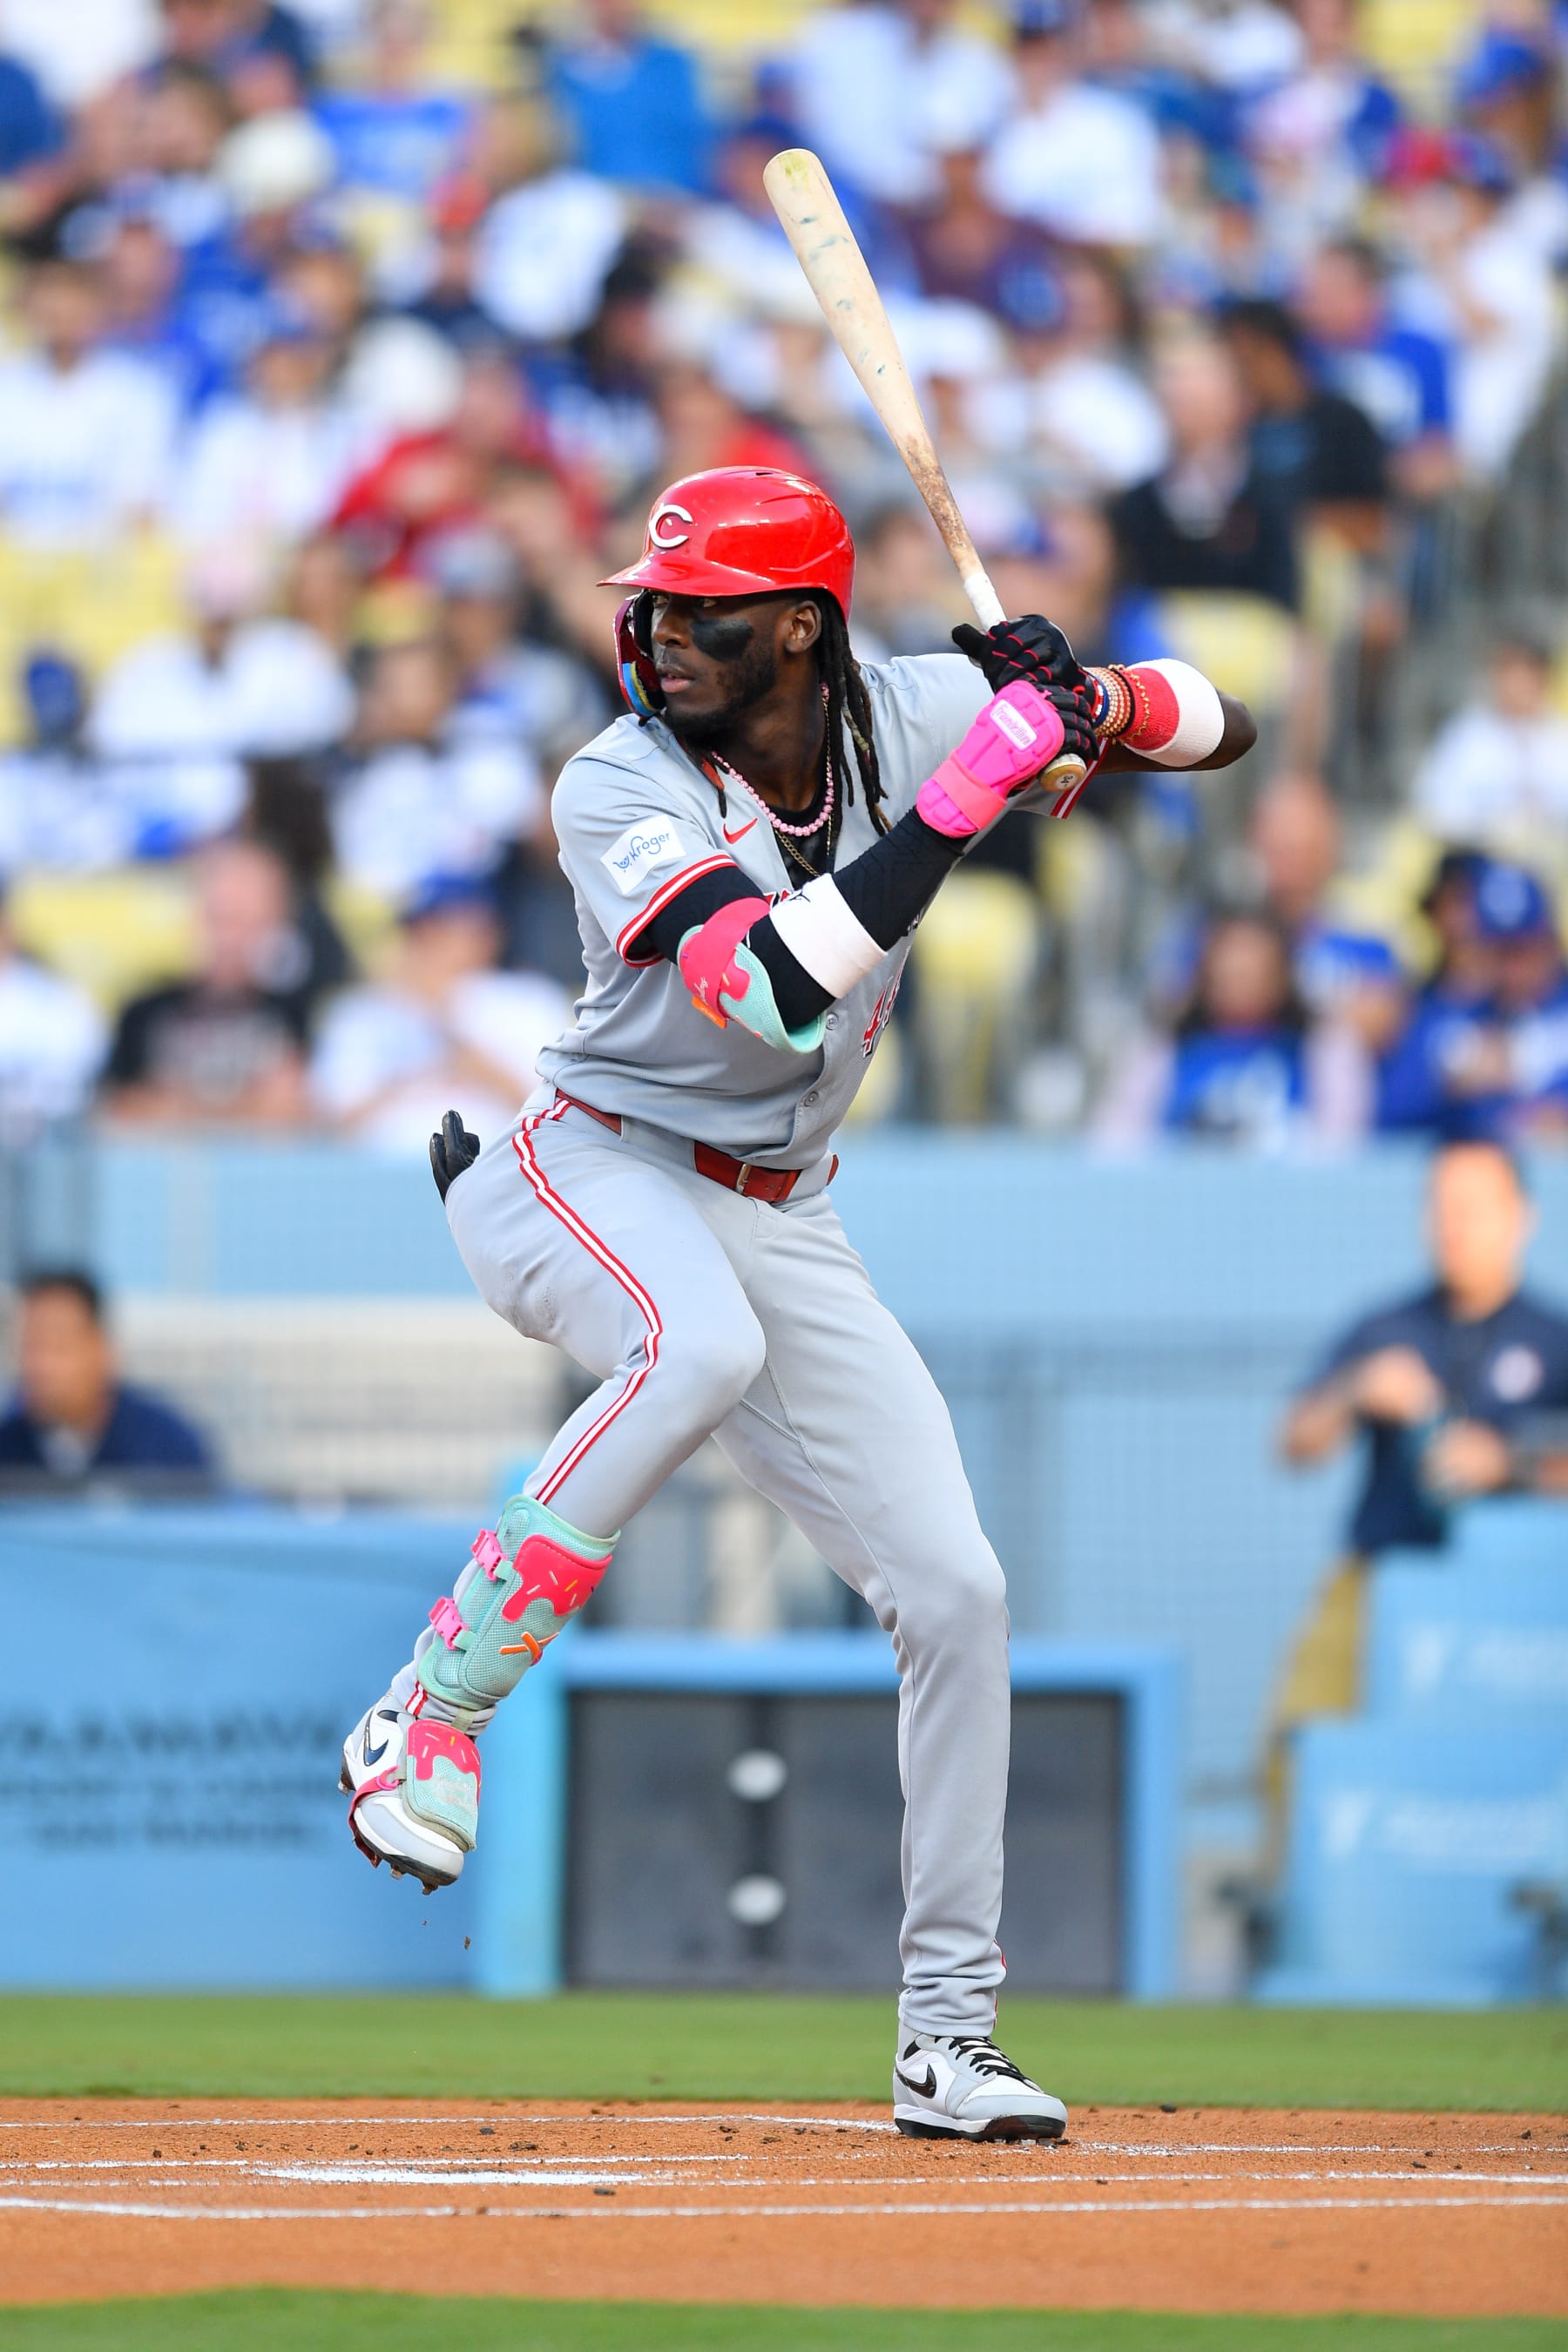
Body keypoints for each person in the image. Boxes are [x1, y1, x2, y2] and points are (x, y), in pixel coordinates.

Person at [339, 463, 1254, 2141]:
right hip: (591, 1166)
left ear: (805, 631)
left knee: (958, 1592)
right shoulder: (616, 781)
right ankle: (431, 1711)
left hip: (789, 1209)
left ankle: (948, 2036)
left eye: (708, 611)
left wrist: (1089, 700)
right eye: (660, 604)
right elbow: (764, 990)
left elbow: (1229, 723)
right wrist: (968, 801)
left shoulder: (910, 708)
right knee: (696, 1344)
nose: (665, 632)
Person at [1271, 1141, 1568, 1835]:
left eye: (1475, 1207)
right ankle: (1284, 1913)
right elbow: (1294, 1442)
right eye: (1441, 1206)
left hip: (1518, 1602)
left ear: (1520, 1217)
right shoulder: (1386, 1327)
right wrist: (1355, 1390)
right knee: (1297, 1740)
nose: (1455, 1224)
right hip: (1380, 1578)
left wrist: (1509, 1465)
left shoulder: (1554, 1341)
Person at [309, 876, 569, 1155]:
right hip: (381, 1178)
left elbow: (555, 1120)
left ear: (491, 932)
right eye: (419, 929)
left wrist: (447, 1026)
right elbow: (333, 1128)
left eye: (446, 927)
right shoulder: (359, 1012)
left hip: (497, 1172)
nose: (430, 940)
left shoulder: (531, 1001)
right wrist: (409, 1077)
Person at [101, 836, 312, 1125]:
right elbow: (117, 1113)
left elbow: (293, 1117)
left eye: (241, 921)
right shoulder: (144, 1012)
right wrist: (245, 1109)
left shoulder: (294, 1015)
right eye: (217, 919)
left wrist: (178, 1108)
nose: (228, 939)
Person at [0, 1267, 214, 1482]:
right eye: (30, 1346)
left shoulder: (168, 1446)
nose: (40, 1365)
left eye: (58, 1346)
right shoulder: (7, 1446)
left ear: (102, 1349)